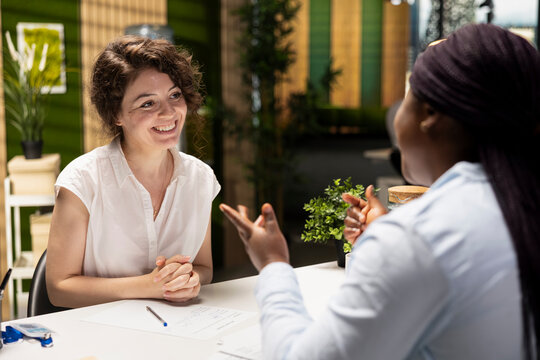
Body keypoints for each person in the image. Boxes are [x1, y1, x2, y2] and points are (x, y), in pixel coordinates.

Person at [220, 24, 540, 359]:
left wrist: (273, 265)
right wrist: (378, 242)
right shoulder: (515, 202)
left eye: (405, 98)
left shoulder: (418, 237)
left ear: (429, 115)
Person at [46, 36, 220, 308]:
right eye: (148, 103)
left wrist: (189, 279)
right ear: (116, 114)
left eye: (174, 95)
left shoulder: (200, 179)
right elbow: (59, 288)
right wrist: (149, 286)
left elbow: (203, 267)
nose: (169, 112)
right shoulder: (81, 181)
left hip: (177, 330)